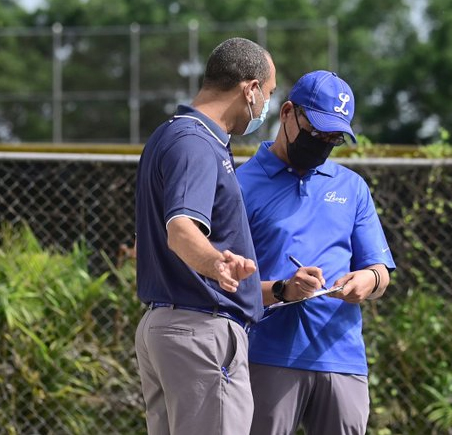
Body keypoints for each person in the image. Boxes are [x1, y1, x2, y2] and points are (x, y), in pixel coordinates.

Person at [236, 70, 396, 435]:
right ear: (287, 113)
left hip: (342, 357)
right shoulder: (240, 184)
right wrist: (283, 289)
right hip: (265, 355)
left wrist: (367, 280)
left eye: (333, 137)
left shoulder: (352, 188)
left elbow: (380, 272)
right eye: (317, 132)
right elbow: (223, 282)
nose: (323, 143)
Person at [134, 37, 277, 435]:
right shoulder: (196, 143)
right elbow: (181, 231)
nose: (266, 105)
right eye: (268, 93)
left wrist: (276, 290)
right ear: (249, 89)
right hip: (200, 330)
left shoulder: (171, 135)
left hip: (170, 326)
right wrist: (216, 263)